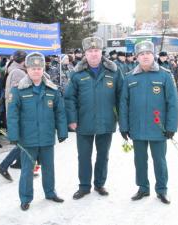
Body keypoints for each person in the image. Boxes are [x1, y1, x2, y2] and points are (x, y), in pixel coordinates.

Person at [119, 41, 178, 204]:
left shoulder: (165, 75)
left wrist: (171, 126)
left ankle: (162, 190)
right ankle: (143, 188)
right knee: (139, 160)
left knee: (159, 160)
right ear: (137, 57)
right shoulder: (130, 77)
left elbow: (173, 103)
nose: (145, 56)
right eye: (141, 54)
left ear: (153, 55)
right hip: (136, 127)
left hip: (158, 128)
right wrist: (123, 126)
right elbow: (123, 103)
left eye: (148, 53)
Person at [64, 36, 124, 200]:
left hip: (106, 120)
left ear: (101, 52)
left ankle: (99, 184)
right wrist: (72, 119)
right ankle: (84, 186)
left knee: (103, 155)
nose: (93, 54)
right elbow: (69, 98)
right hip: (84, 121)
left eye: (96, 50)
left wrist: (121, 119)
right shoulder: (77, 74)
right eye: (90, 51)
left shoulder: (114, 71)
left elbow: (122, 97)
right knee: (83, 156)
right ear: (85, 53)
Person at [7, 52, 68, 211]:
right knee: (27, 170)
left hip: (47, 136)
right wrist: (13, 135)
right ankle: (25, 198)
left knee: (49, 167)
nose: (36, 71)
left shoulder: (52, 90)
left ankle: (50, 192)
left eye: (39, 68)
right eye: (33, 68)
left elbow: (59, 112)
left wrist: (62, 131)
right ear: (27, 69)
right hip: (28, 138)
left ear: (43, 69)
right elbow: (12, 114)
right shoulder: (18, 90)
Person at [0, 50, 27, 180]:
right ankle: (3, 166)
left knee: (24, 140)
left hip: (17, 112)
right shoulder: (18, 72)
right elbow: (21, 94)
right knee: (25, 142)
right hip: (19, 112)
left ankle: (20, 163)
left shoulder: (14, 70)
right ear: (22, 60)